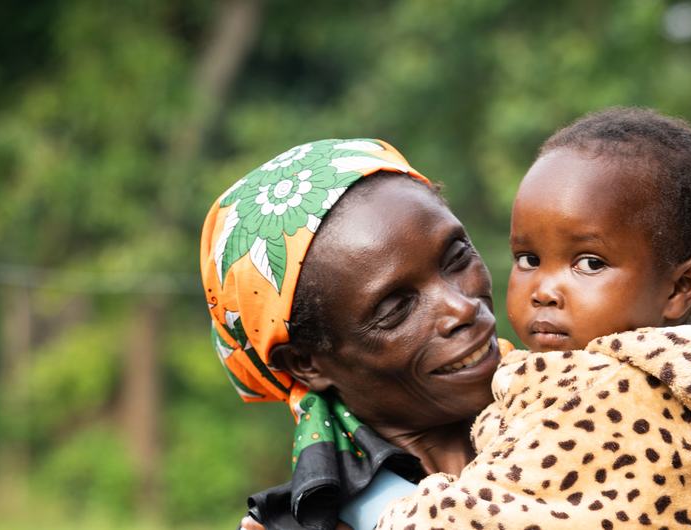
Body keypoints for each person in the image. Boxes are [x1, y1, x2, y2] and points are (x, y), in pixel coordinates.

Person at [371, 108, 691, 529]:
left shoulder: (605, 395)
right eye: (529, 258)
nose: (544, 290)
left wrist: (388, 510)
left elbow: (499, 519)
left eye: (590, 263)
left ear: (680, 287)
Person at [201, 138, 510, 530]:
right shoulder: (314, 524)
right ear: (305, 363)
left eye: (457, 257)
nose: (462, 308)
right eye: (396, 308)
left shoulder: (589, 404)